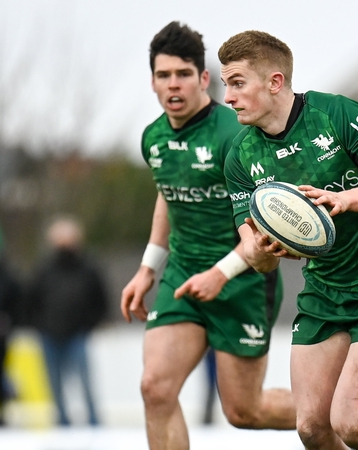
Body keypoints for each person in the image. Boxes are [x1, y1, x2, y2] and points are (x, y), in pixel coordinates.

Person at [219, 30, 358, 450]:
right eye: (225, 85)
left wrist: (343, 199)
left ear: (274, 81)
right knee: (311, 428)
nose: (229, 97)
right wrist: (265, 249)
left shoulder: (336, 114)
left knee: (354, 425)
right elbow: (254, 253)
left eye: (237, 83)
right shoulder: (240, 157)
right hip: (324, 292)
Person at [120, 22, 295, 449]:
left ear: (203, 79)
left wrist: (221, 273)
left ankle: (343, 416)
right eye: (163, 76)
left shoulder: (236, 136)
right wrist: (149, 268)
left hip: (242, 279)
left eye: (182, 74)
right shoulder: (154, 138)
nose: (172, 84)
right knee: (155, 389)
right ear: (153, 82)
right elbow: (169, 195)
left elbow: (265, 227)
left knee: (244, 411)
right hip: (182, 274)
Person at [26, 216, 107, 426]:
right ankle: (62, 423)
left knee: (85, 383)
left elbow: (100, 300)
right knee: (55, 384)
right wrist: (40, 326)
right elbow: (31, 300)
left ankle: (94, 422)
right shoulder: (44, 269)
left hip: (78, 334)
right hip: (49, 335)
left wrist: (89, 324)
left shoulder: (88, 267)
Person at [0, 220, 21, 426]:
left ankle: (2, 413)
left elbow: (17, 304)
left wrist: (7, 321)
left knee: (0, 372)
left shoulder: (6, 277)